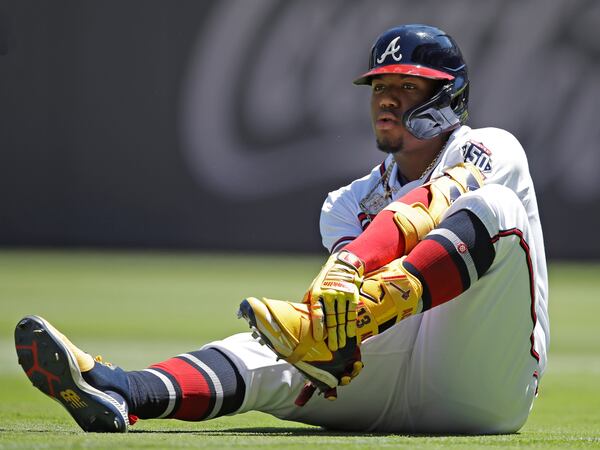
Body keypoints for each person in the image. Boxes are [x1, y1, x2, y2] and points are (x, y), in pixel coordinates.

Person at [14, 24, 548, 434]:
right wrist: (334, 329)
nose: (387, 98)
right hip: (389, 368)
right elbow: (359, 274)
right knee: (277, 351)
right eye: (380, 85)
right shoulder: (344, 204)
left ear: (448, 97)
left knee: (494, 206)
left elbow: (431, 205)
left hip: (485, 384)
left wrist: (348, 268)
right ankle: (124, 391)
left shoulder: (493, 148)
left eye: (408, 86)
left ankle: (336, 329)